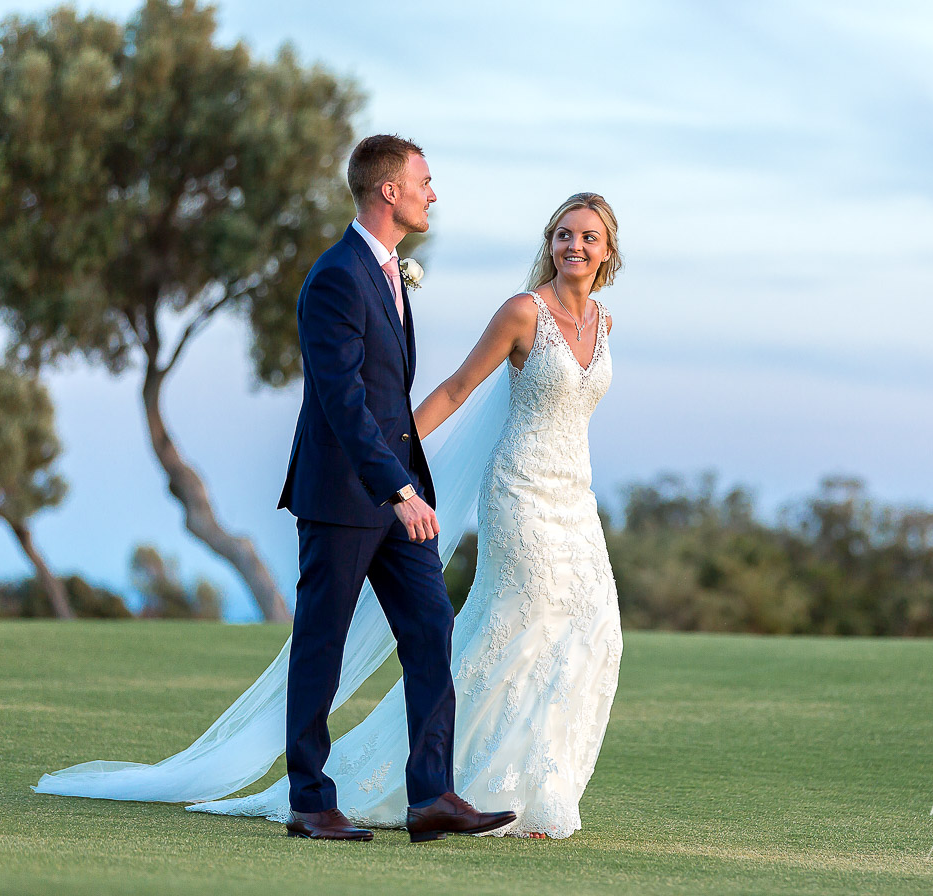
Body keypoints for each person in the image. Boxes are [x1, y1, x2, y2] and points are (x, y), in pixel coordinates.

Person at [193, 190, 625, 840]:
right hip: (522, 491)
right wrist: (390, 463)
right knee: (525, 624)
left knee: (595, 632)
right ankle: (459, 785)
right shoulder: (520, 313)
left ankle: (539, 788)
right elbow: (455, 388)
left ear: (607, 251)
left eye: (588, 237)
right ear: (551, 242)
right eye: (564, 234)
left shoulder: (605, 323)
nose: (574, 246)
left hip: (576, 497)